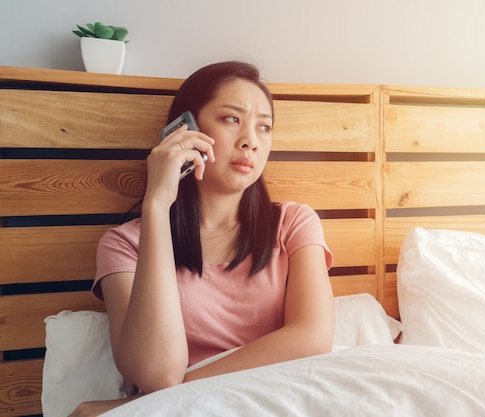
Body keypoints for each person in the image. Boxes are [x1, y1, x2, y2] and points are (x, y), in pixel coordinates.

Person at [70, 61, 335, 416]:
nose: (250, 141)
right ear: (184, 129)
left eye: (264, 127)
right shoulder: (125, 244)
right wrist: (157, 204)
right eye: (231, 119)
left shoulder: (293, 222)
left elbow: (312, 338)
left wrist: (149, 401)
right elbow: (157, 373)